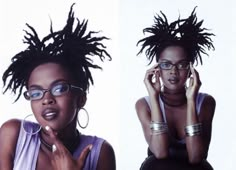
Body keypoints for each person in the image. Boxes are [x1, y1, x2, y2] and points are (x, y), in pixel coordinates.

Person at [0, 4, 116, 170]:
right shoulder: (12, 135)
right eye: (36, 92)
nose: (46, 99)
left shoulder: (100, 152)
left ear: (81, 99)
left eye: (59, 89)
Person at [135, 7, 215, 170]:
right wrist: (154, 97)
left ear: (190, 69)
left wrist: (191, 100)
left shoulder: (205, 102)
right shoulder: (144, 105)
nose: (173, 71)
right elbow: (160, 152)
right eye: (166, 64)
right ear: (157, 68)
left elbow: (195, 156)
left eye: (181, 64)